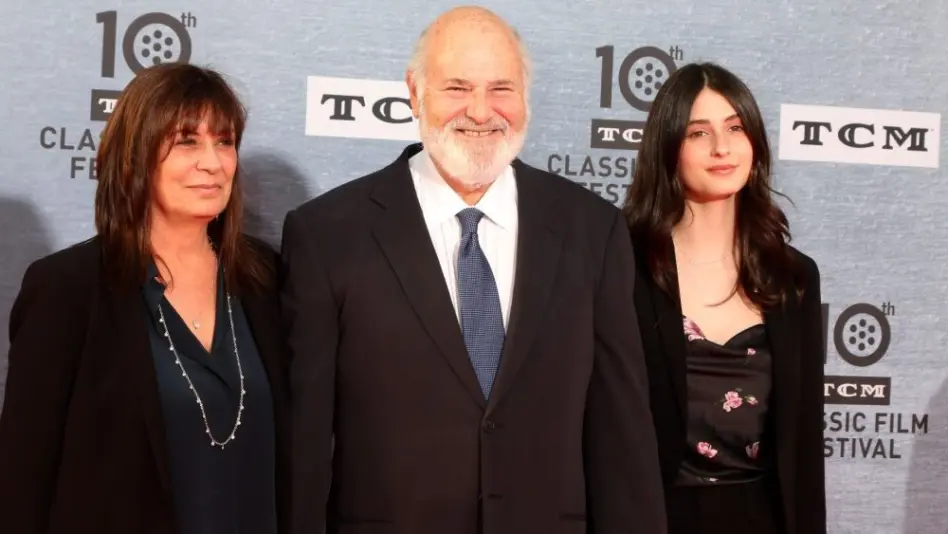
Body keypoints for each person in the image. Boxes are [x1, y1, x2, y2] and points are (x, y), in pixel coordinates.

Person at [281, 6, 665, 534]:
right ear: (415, 92)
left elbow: (622, 438)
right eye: (457, 88)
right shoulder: (328, 234)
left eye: (501, 89)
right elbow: (306, 446)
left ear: (526, 97)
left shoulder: (591, 231)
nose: (481, 112)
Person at [0, 63, 289, 534]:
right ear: (133, 156)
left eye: (225, 141)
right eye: (187, 142)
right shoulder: (68, 289)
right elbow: (22, 480)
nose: (213, 162)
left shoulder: (265, 279)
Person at [622, 62, 825, 534]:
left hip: (762, 518)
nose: (721, 147)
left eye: (735, 127)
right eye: (698, 133)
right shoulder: (622, 267)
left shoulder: (793, 276)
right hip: (651, 516)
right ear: (668, 147)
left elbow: (803, 446)